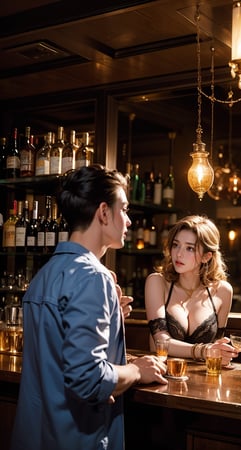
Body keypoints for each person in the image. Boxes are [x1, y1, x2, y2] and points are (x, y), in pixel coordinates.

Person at [11, 165, 167, 450]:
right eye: (125, 210)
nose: (129, 221)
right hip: (78, 438)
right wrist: (136, 371)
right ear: (104, 213)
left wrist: (110, 316)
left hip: (35, 435)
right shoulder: (94, 278)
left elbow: (57, 352)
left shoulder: (44, 275)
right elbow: (89, 379)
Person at [145, 215, 239, 366]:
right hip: (162, 376)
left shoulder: (222, 291)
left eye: (190, 248)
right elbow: (160, 341)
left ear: (206, 256)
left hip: (203, 380)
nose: (179, 254)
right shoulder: (157, 282)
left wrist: (223, 352)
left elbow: (216, 345)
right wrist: (202, 351)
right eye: (176, 245)